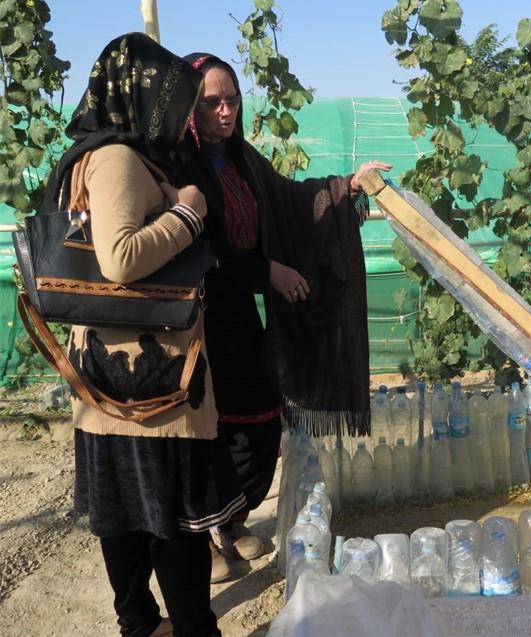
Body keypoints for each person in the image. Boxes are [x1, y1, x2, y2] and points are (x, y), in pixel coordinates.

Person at [42, 34, 244, 637]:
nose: (183, 114)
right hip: (145, 378)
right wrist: (187, 211)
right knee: (169, 523)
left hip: (116, 375)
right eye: (175, 99)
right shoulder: (117, 160)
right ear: (142, 97)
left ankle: (139, 622)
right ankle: (188, 629)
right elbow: (121, 258)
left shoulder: (99, 152)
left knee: (126, 516)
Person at [176, 52, 390, 581]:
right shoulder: (176, 165)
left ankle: (234, 521)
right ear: (188, 108)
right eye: (212, 102)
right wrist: (266, 269)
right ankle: (200, 535)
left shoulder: (242, 158)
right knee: (202, 428)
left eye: (232, 100)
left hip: (239, 311)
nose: (225, 111)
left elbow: (291, 200)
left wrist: (346, 187)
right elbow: (200, 249)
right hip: (192, 317)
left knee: (258, 421)